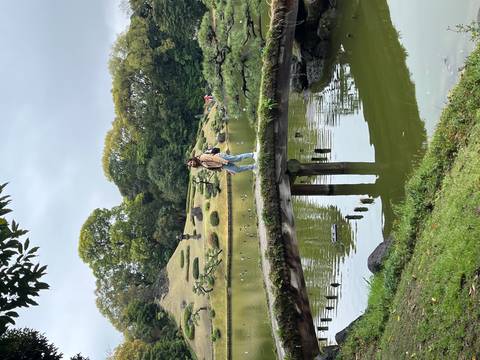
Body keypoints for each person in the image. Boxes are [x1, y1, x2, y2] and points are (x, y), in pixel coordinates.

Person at [187, 151, 256, 174]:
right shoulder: (201, 164)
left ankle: (252, 155)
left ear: (192, 159)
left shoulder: (201, 157)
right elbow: (215, 166)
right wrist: (228, 170)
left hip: (221, 158)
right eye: (191, 165)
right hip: (222, 165)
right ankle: (252, 167)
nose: (192, 164)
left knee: (237, 158)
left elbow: (213, 158)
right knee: (236, 170)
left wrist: (224, 161)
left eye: (191, 162)